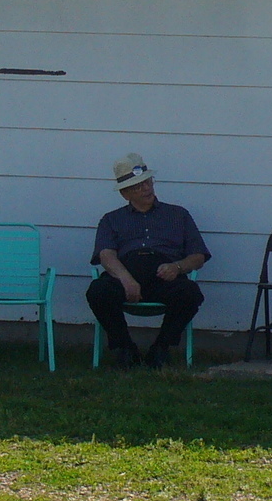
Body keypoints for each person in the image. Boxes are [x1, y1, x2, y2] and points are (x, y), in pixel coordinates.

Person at [88, 153, 210, 368]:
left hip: (164, 276)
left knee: (190, 294)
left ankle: (161, 348)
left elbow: (198, 255)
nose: (146, 189)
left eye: (147, 182)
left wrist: (178, 267)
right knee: (98, 292)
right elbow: (106, 254)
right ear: (125, 194)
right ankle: (125, 348)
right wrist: (126, 279)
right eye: (137, 186)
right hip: (126, 275)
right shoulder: (111, 219)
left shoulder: (178, 215)